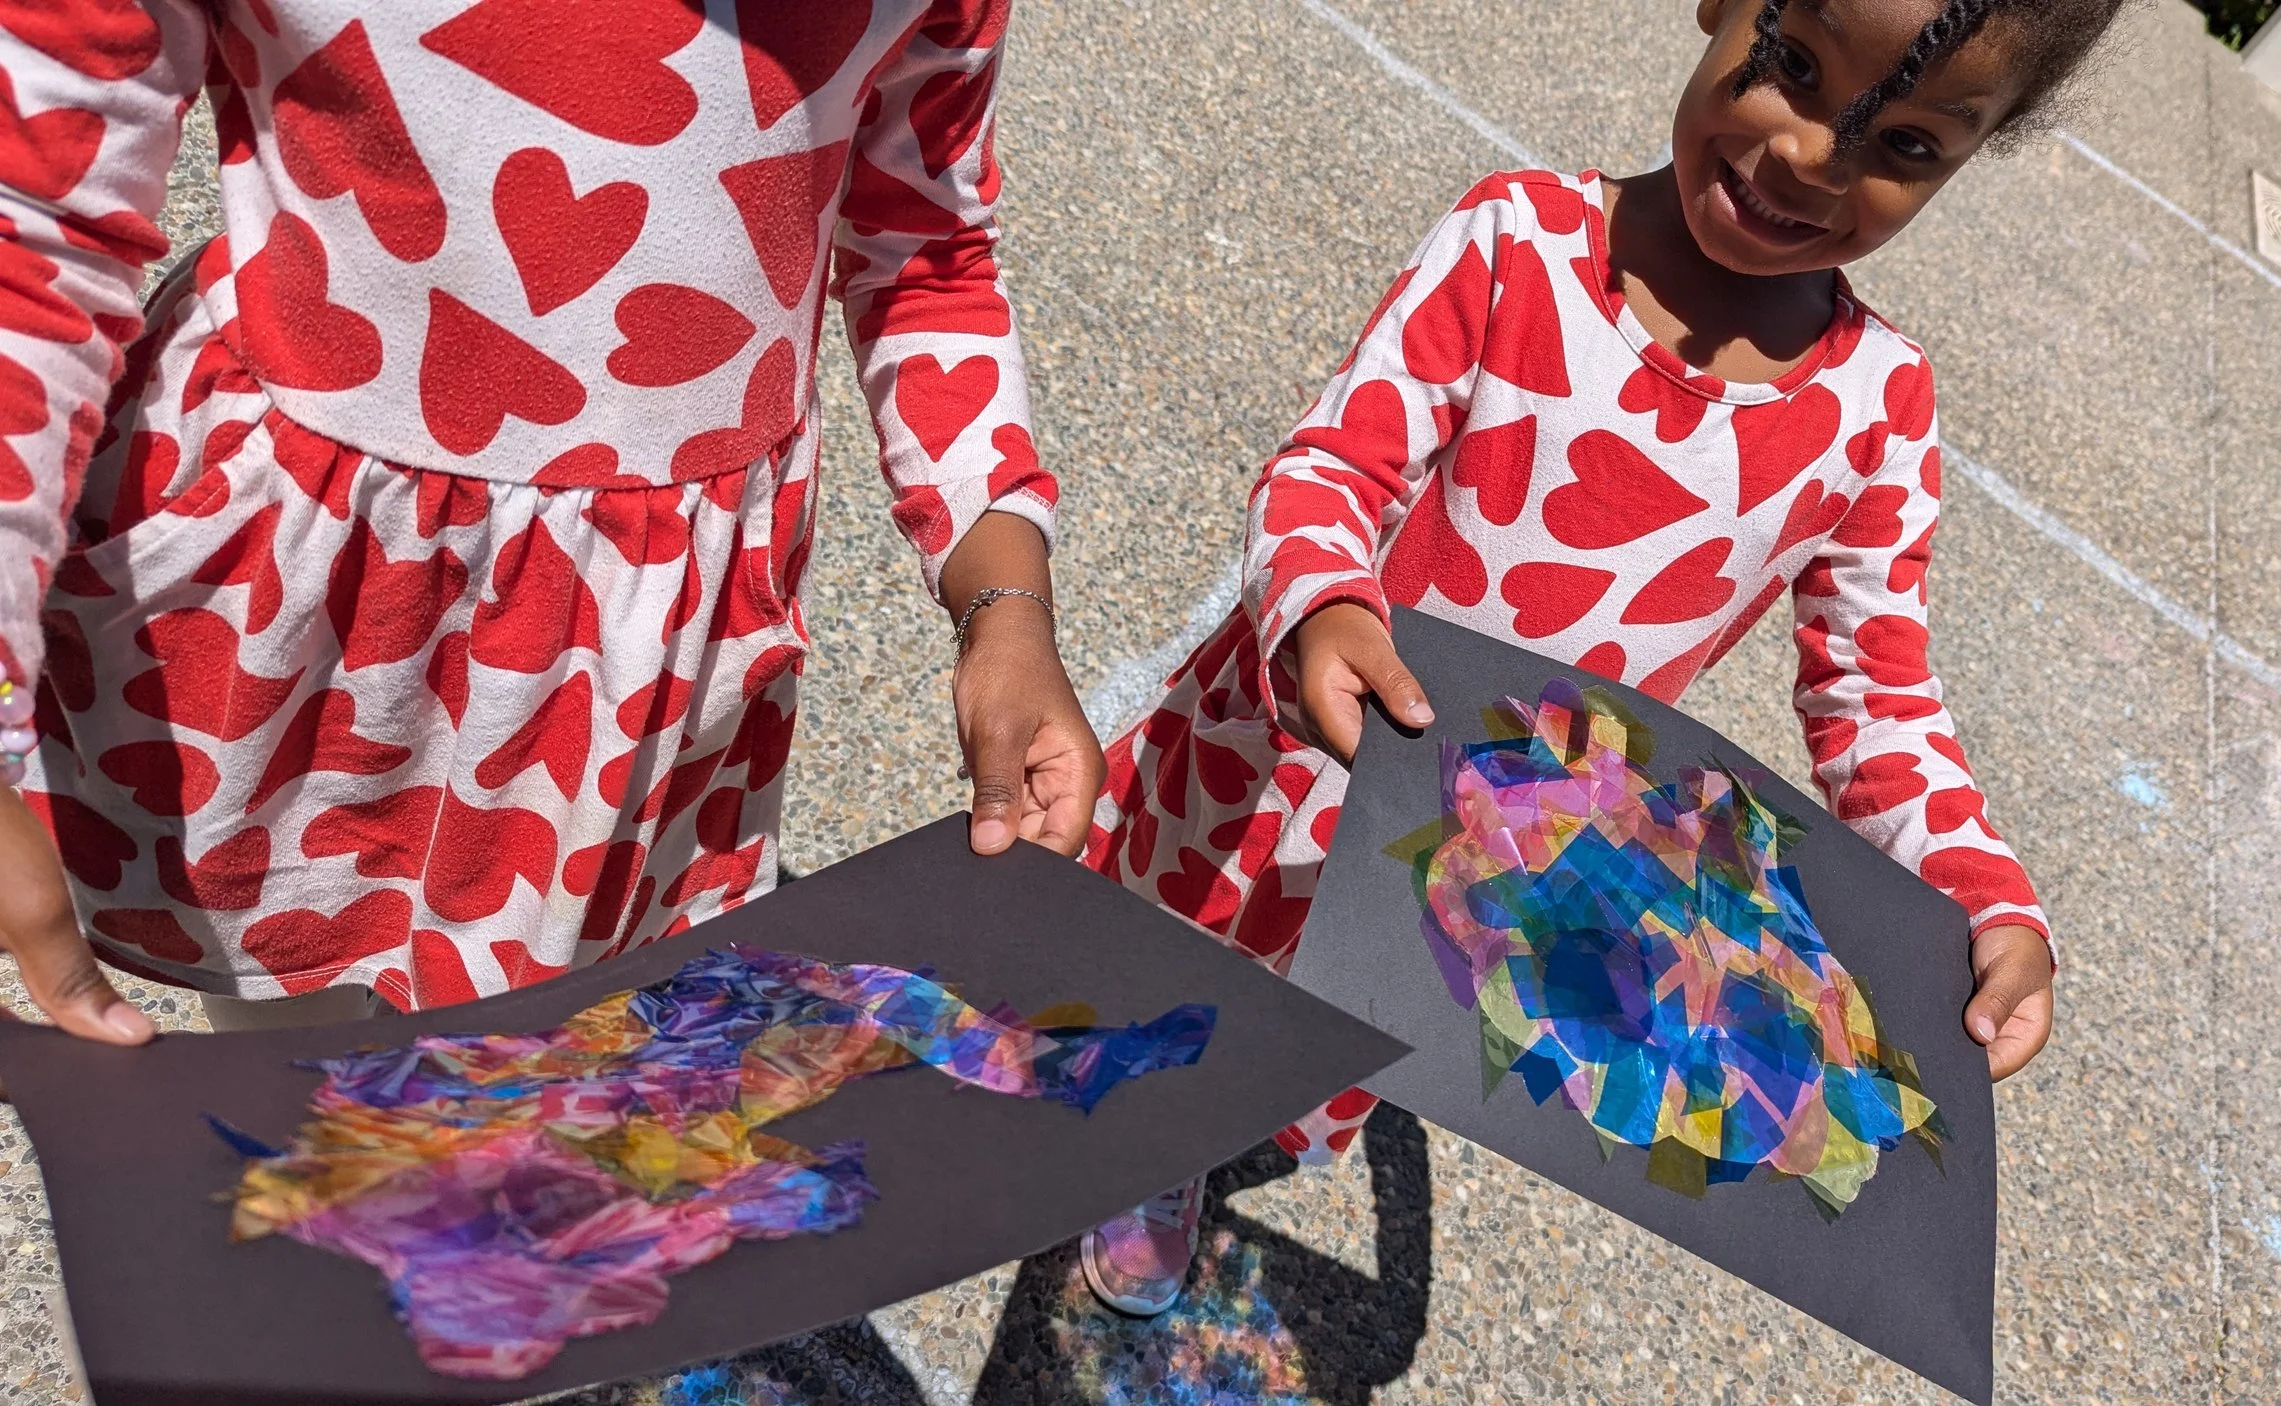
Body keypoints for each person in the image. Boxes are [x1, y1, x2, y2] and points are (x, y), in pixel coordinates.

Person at [1075, 0, 2124, 1316]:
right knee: (1151, 946)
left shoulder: (1877, 411)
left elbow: (1876, 698)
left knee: (1323, 1018)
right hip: (1296, 741)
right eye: (1793, 67)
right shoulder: (1515, 241)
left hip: (1496, 842)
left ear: (1977, 155)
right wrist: (1326, 597)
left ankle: (1166, 1153)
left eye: (1906, 143)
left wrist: (1978, 894)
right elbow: (1335, 464)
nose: (1813, 158)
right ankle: (1100, 1056)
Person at [0, 0, 1101, 1051]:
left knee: (533, 1078)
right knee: (292, 1055)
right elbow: (38, 230)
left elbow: (926, 248)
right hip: (292, 605)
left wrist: (1004, 597)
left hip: (624, 664)